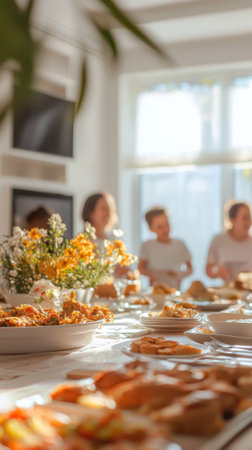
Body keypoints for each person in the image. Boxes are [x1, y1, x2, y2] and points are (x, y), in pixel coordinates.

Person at [138, 206, 192, 289]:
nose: (165, 229)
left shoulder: (180, 244)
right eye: (160, 227)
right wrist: (151, 276)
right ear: (151, 228)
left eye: (167, 224)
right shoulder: (147, 246)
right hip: (155, 291)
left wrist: (181, 275)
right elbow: (140, 268)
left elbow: (190, 268)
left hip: (175, 290)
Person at [206, 200, 252, 283]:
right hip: (227, 293)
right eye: (245, 218)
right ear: (232, 220)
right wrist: (216, 271)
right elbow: (208, 270)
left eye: (249, 217)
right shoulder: (218, 240)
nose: (249, 222)